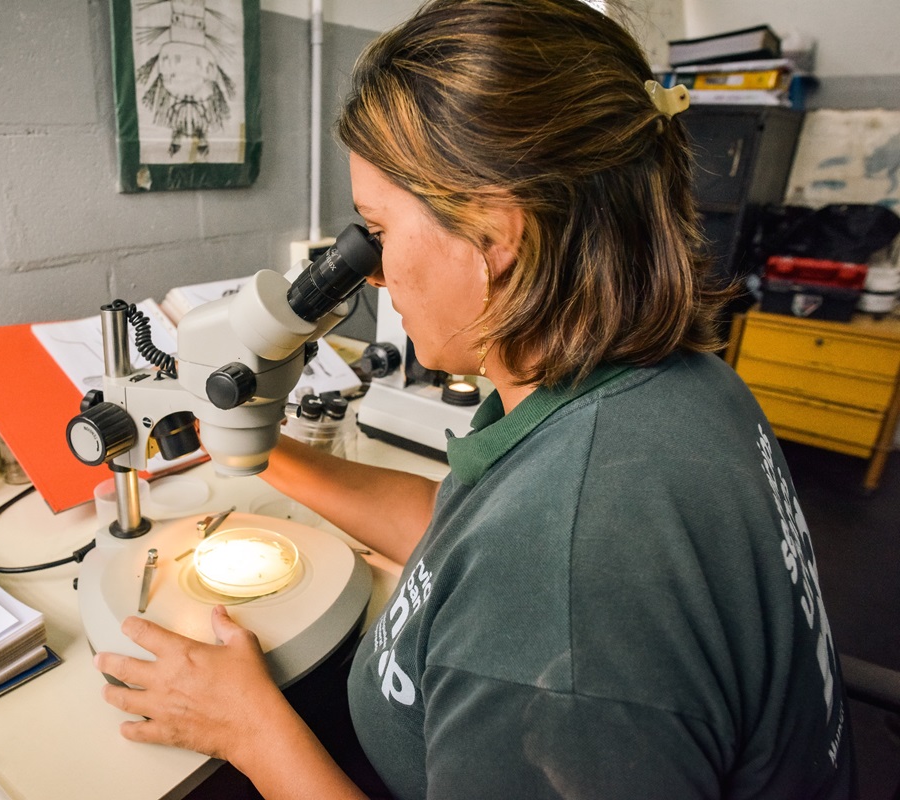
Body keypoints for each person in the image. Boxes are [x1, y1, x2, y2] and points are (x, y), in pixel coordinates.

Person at [95, 0, 855, 797]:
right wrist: (255, 448)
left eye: (377, 230)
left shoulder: (562, 616)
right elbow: (460, 534)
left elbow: (532, 578)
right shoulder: (656, 386)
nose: (375, 272)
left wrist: (250, 729)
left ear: (496, 236)